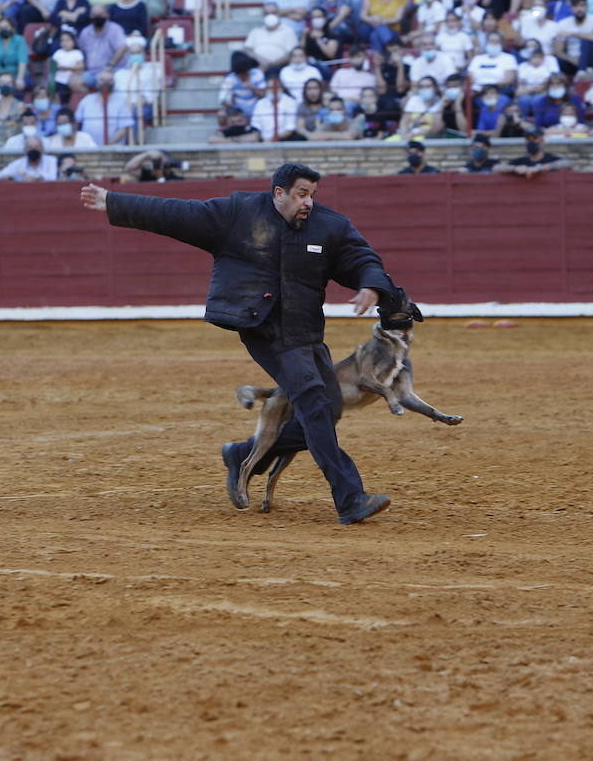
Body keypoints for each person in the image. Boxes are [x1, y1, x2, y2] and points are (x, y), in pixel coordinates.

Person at [78, 163, 397, 524]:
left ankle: (243, 453)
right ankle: (350, 498)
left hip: (305, 331)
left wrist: (370, 285)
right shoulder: (237, 213)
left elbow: (361, 257)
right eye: (302, 194)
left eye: (313, 195)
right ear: (279, 193)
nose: (309, 202)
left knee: (328, 409)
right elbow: (175, 214)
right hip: (261, 326)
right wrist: (114, 201)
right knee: (313, 401)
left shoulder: (329, 225)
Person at [493, 129, 570, 178]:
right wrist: (515, 168)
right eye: (528, 139)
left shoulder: (550, 158)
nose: (531, 142)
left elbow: (567, 163)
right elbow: (496, 168)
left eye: (534, 139)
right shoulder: (521, 161)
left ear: (542, 141)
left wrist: (538, 168)